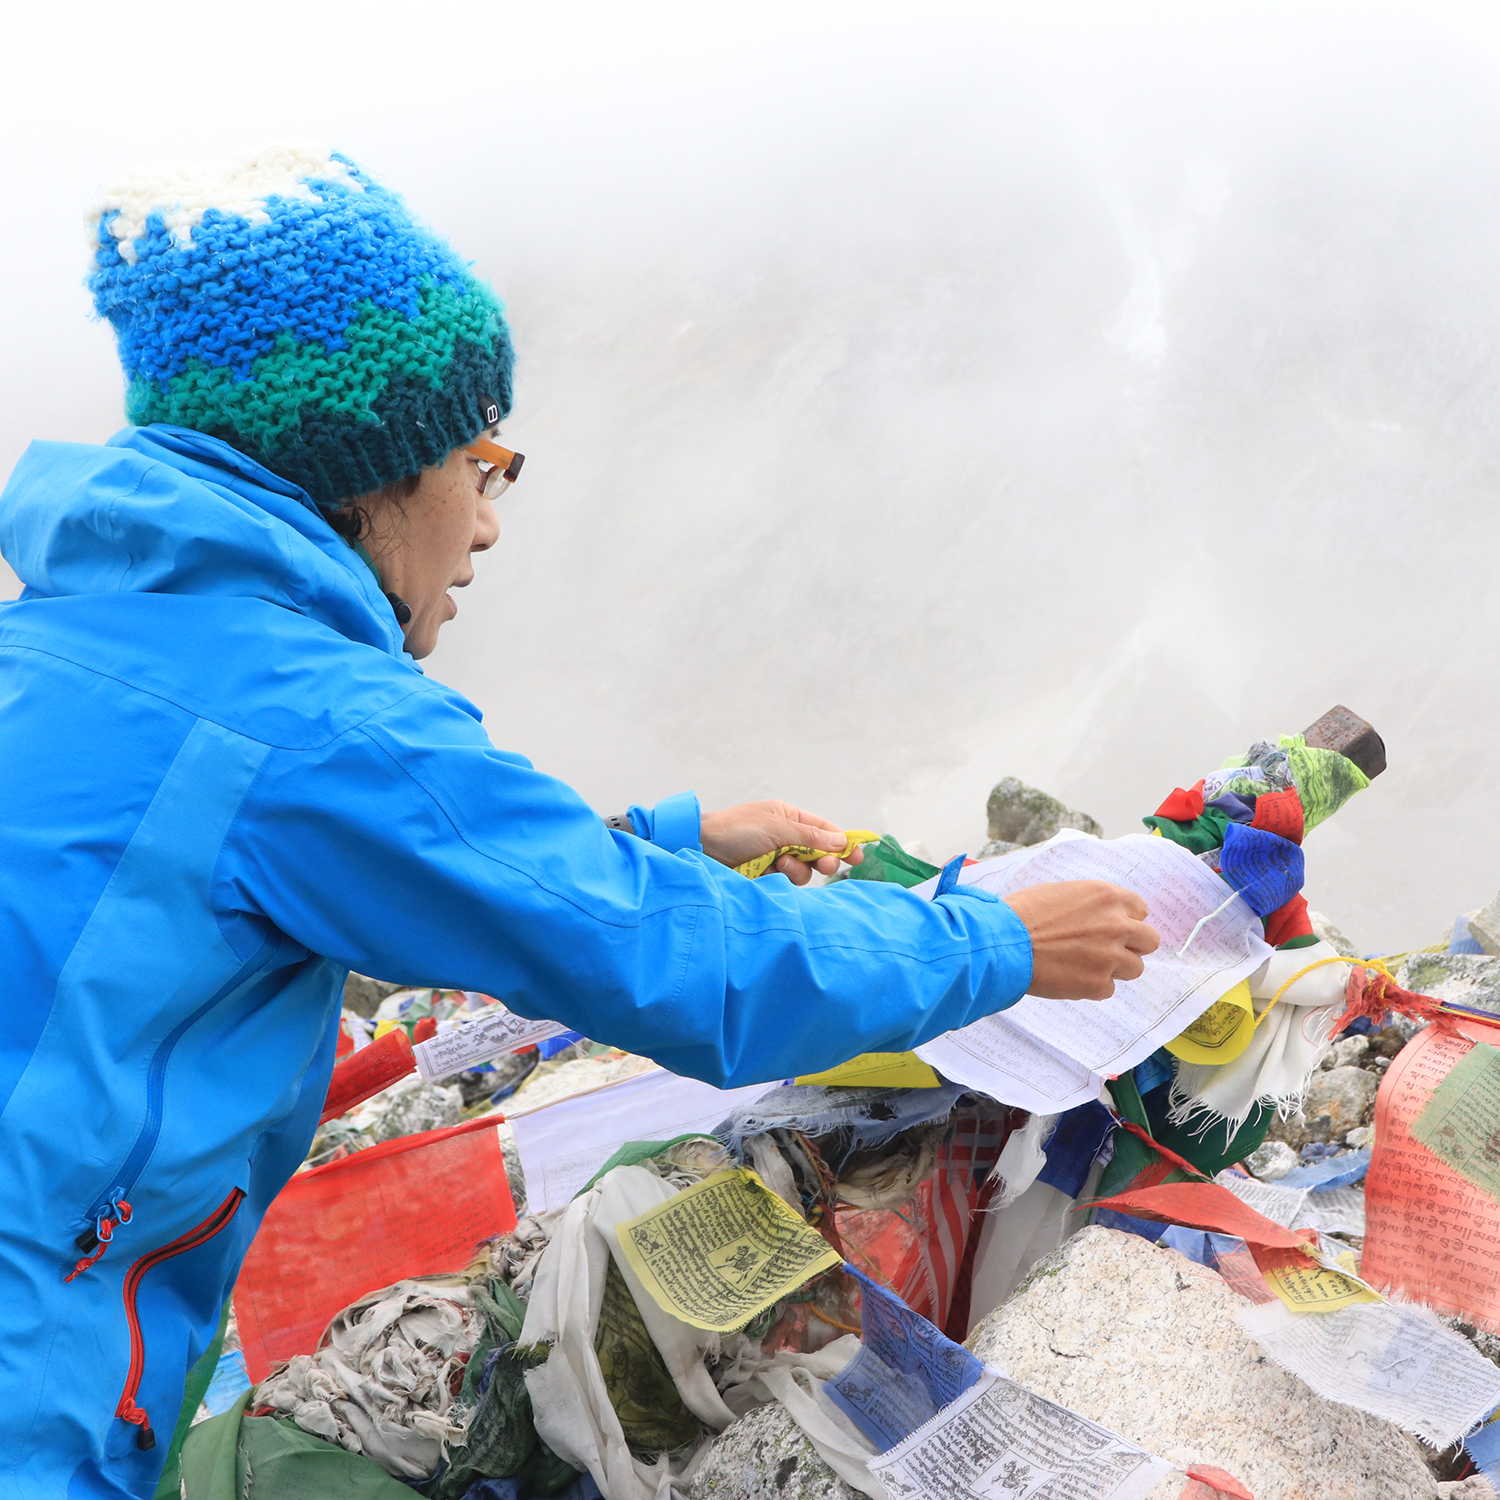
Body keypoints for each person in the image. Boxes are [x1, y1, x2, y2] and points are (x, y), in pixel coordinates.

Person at [0, 145, 1157, 1498]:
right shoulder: (312, 718)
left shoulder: (83, 649)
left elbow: (416, 863)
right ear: (369, 473)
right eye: (476, 463)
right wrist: (995, 939)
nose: (487, 524)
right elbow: (689, 970)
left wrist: (667, 833)